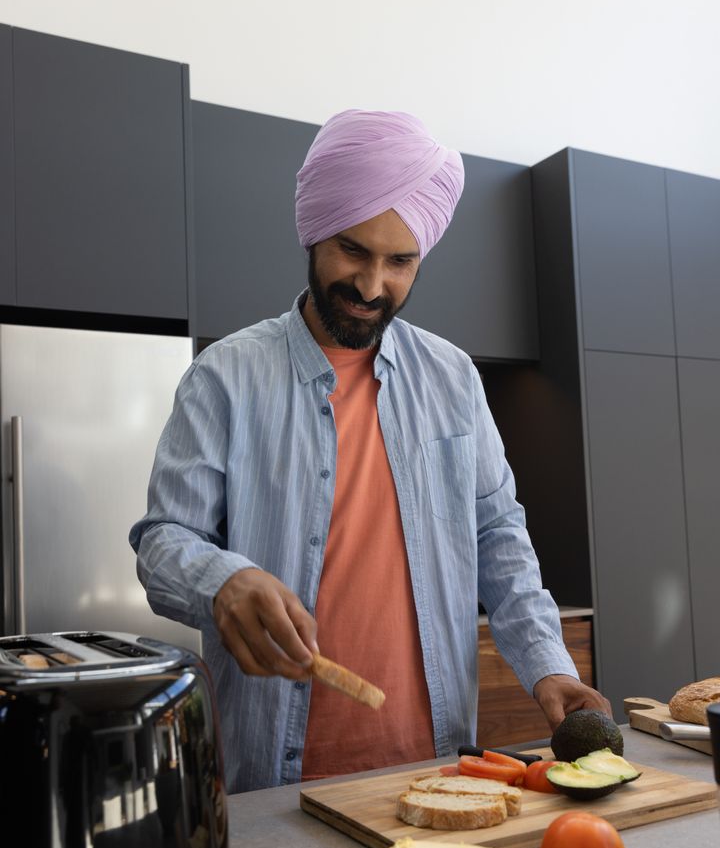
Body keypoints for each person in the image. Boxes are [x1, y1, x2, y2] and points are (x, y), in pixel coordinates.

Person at [130, 108, 610, 794]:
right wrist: (221, 580)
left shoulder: (452, 379)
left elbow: (498, 534)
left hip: (433, 772)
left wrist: (548, 664)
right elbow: (163, 541)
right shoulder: (226, 377)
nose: (372, 285)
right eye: (353, 251)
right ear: (314, 232)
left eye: (399, 261)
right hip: (275, 786)